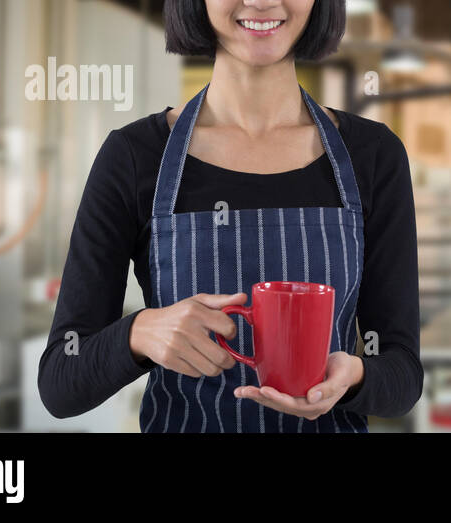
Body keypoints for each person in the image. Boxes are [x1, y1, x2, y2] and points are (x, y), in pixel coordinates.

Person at [38, 0, 421, 433]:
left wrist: (356, 377)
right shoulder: (132, 156)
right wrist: (140, 333)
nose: (261, 1)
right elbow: (60, 382)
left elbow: (402, 372)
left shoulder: (374, 155)